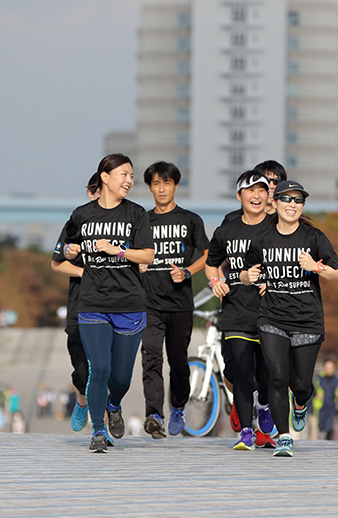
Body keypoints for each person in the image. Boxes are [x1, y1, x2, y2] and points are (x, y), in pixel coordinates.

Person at [241, 180, 338, 457]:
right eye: (286, 199)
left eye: (298, 201)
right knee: (277, 376)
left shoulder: (314, 238)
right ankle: (284, 436)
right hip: (272, 317)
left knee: (300, 384)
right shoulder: (262, 240)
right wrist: (248, 277)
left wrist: (318, 267)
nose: (292, 205)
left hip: (307, 320)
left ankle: (300, 402)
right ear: (273, 204)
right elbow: (242, 272)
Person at [62, 153, 155, 453]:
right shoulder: (81, 214)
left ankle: (114, 404)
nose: (129, 180)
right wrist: (71, 249)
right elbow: (65, 248)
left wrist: (118, 251)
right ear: (105, 177)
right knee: (98, 369)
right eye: (123, 174)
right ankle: (98, 431)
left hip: (129, 304)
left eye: (131, 176)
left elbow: (148, 255)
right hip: (91, 303)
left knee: (121, 377)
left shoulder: (137, 214)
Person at [205, 171, 277, 450]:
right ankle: (247, 432)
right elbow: (212, 263)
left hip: (271, 313)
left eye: (261, 190)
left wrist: (272, 281)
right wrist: (216, 281)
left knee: (268, 374)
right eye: (250, 191)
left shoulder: (277, 227)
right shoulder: (226, 230)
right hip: (236, 312)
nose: (257, 196)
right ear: (239, 196)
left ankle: (266, 405)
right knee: (243, 374)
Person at [139, 161, 209, 439]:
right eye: (156, 183)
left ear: (176, 186)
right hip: (149, 303)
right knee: (151, 358)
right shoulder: (142, 221)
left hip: (180, 303)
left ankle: (178, 406)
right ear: (150, 188)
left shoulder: (191, 220)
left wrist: (188, 271)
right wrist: (139, 265)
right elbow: (132, 254)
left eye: (167, 183)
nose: (162, 188)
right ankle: (154, 414)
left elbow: (207, 255)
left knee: (178, 361)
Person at [50, 173, 100, 432]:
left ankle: (105, 417)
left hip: (112, 304)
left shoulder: (127, 220)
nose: (95, 194)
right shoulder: (77, 220)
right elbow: (56, 263)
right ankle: (82, 400)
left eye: (98, 189)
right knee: (82, 371)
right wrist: (85, 272)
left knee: (106, 367)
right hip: (80, 304)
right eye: (91, 190)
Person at [222, 160, 287, 223]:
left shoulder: (288, 219)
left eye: (277, 181)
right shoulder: (232, 219)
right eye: (267, 181)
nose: (271, 186)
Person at [315, 359, 338, 440]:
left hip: (333, 408)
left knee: (332, 429)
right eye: (327, 367)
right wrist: (316, 394)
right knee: (320, 430)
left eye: (331, 367)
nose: (329, 370)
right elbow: (311, 391)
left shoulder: (337, 379)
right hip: (320, 408)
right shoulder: (318, 378)